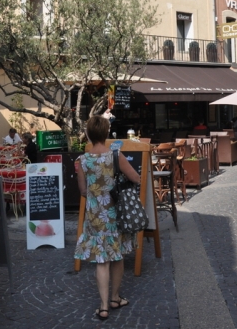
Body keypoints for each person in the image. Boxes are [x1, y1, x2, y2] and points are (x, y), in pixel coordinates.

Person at [74, 115, 140, 321]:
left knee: (101, 260)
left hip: (94, 215)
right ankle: (114, 298)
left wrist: (96, 194)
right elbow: (135, 178)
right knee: (117, 255)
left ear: (89, 135)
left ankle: (103, 307)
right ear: (106, 133)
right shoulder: (115, 155)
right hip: (115, 213)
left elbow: (83, 190)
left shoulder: (82, 160)